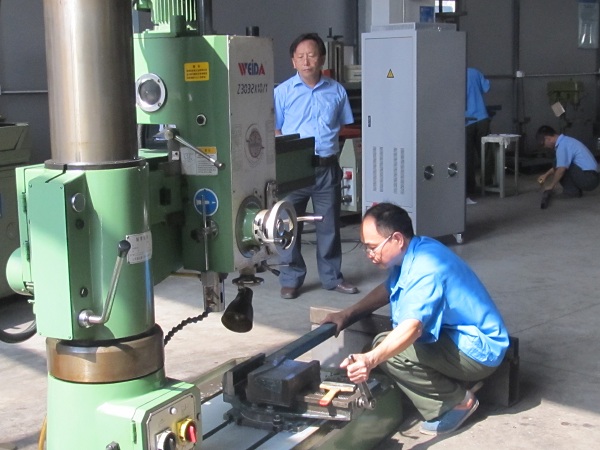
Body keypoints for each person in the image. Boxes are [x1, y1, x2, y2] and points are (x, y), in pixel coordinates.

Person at [322, 202, 509, 436]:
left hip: (479, 351)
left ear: (397, 239)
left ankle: (457, 402)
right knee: (384, 345)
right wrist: (348, 314)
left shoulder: (425, 269)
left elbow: (413, 328)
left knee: (391, 352)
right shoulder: (415, 250)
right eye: (365, 247)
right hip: (463, 336)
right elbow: (388, 289)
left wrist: (370, 360)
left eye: (372, 247)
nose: (369, 255)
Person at [274, 33, 358, 299]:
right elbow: (275, 129)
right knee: (287, 225)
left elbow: (341, 127)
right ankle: (291, 279)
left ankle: (332, 278)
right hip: (293, 170)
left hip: (326, 169)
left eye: (311, 55)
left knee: (329, 226)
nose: (306, 61)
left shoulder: (337, 91)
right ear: (293, 61)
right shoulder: (282, 92)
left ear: (322, 59)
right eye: (300, 56)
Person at [536, 125, 599, 198]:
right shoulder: (565, 141)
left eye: (543, 144)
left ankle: (571, 192)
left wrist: (551, 185)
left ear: (548, 138)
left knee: (562, 167)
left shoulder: (562, 145)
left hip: (589, 179)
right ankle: (574, 191)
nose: (545, 147)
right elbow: (558, 166)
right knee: (558, 162)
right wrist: (546, 175)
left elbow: (561, 169)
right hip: (591, 176)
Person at [465, 68, 491, 197]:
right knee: (485, 152)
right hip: (481, 118)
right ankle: (488, 183)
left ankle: (469, 187)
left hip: (465, 121)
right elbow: (486, 88)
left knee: (467, 155)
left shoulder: (454, 75)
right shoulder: (474, 72)